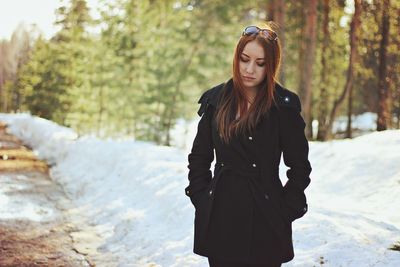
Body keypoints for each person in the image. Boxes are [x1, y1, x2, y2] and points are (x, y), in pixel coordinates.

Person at [184, 23, 312, 267]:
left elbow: (299, 167)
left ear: (271, 65)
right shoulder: (216, 100)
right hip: (221, 215)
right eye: (244, 59)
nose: (249, 69)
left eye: (260, 63)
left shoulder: (283, 106)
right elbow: (199, 157)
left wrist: (287, 208)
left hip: (267, 216)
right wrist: (201, 197)